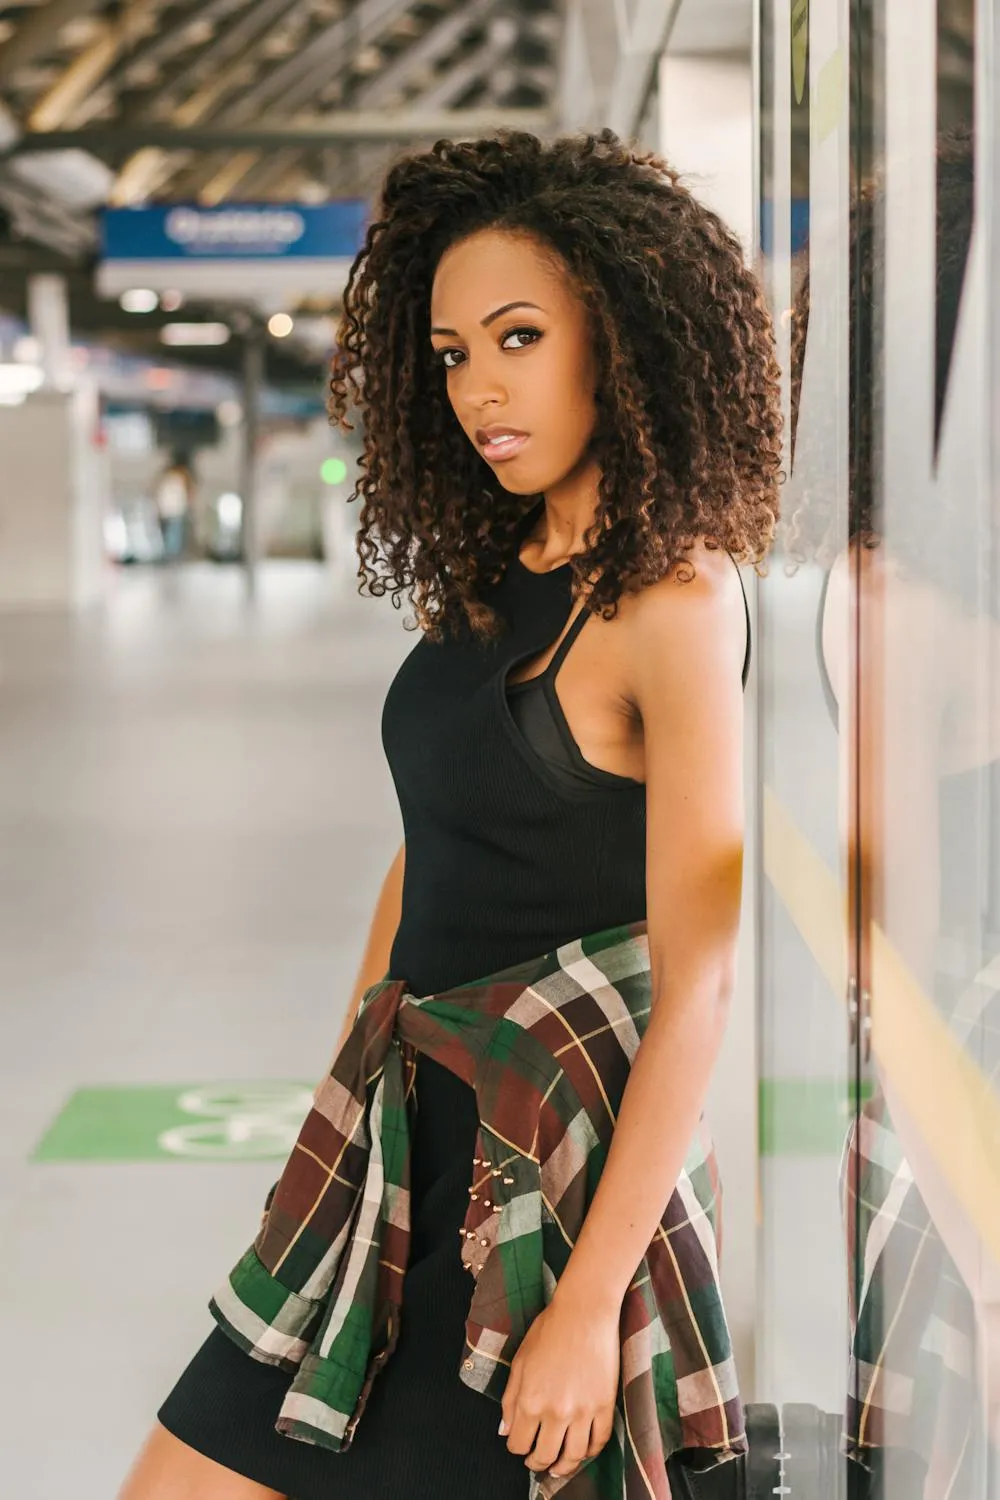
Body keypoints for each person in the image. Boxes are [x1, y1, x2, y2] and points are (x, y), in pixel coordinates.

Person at [118, 128, 781, 1500]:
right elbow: (429, 847)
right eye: (451, 353)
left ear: (621, 335)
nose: (480, 386)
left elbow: (702, 975)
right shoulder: (499, 566)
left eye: (519, 336)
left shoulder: (672, 602)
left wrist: (592, 1305)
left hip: (539, 1210)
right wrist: (341, 1111)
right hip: (396, 1157)